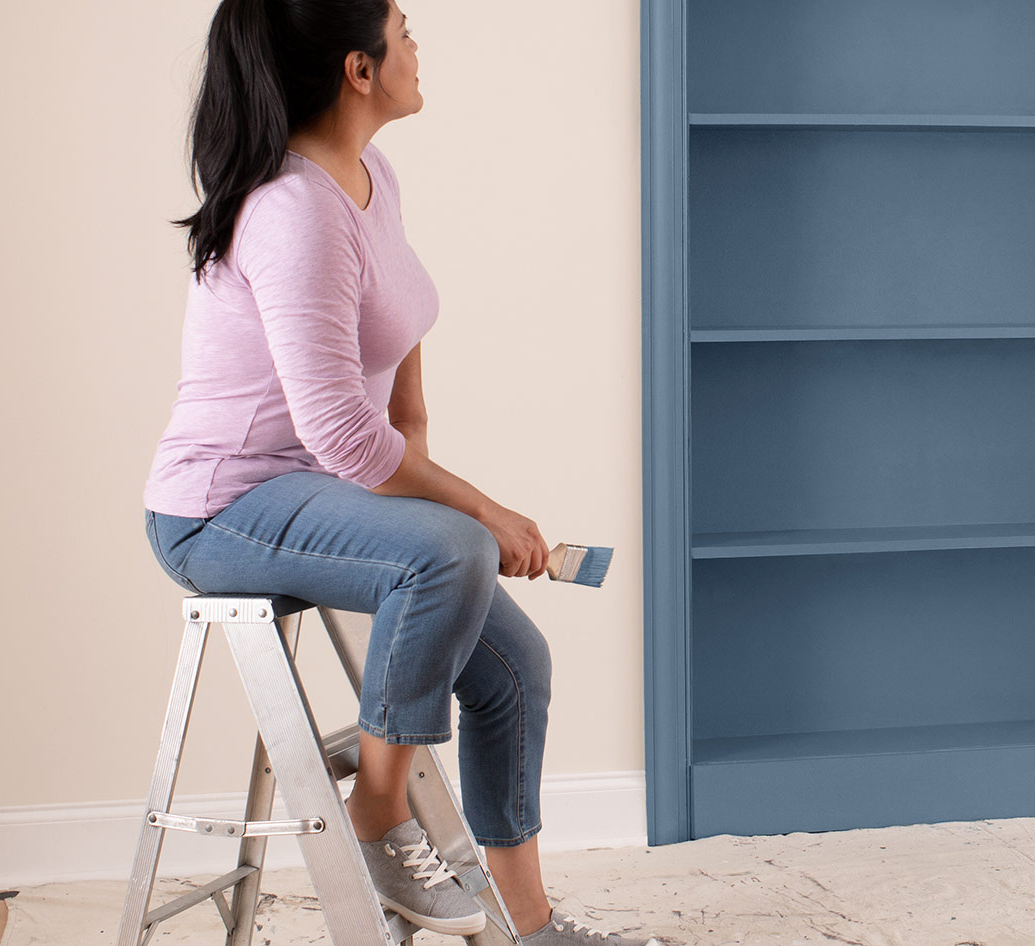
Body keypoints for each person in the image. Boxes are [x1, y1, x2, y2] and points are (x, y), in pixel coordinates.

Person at [141, 2, 662, 943]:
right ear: (360, 68)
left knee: (515, 668)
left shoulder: (370, 173)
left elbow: (397, 323)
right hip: (221, 507)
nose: (419, 45)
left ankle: (531, 928)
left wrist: (418, 442)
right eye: (404, 27)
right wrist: (481, 511)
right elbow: (340, 434)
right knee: (450, 548)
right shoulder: (293, 209)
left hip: (318, 492)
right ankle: (377, 813)